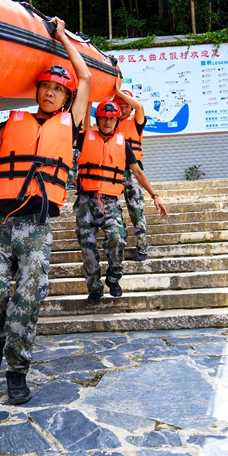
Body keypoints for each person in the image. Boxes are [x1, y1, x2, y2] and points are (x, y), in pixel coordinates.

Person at [0, 17, 90, 405]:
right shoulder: (14, 121)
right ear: (38, 90)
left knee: (29, 295)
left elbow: (86, 79)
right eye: (47, 87)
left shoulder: (70, 123)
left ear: (65, 97)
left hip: (36, 226)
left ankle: (16, 369)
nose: (51, 93)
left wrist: (60, 36)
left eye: (59, 90)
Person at [75, 101, 168, 304]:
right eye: (103, 118)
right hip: (85, 203)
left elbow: (137, 172)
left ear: (116, 121)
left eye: (111, 118)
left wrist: (155, 195)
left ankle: (113, 277)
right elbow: (68, 126)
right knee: (88, 249)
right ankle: (95, 288)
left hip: (109, 203)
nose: (107, 122)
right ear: (97, 119)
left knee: (117, 239)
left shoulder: (122, 144)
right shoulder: (83, 139)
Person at [112, 88, 151, 260]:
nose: (124, 109)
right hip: (114, 170)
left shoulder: (136, 120)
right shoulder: (110, 122)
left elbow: (140, 107)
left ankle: (142, 247)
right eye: (120, 105)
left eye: (127, 106)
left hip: (133, 171)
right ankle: (120, 244)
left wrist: (119, 93)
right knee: (114, 210)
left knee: (136, 209)